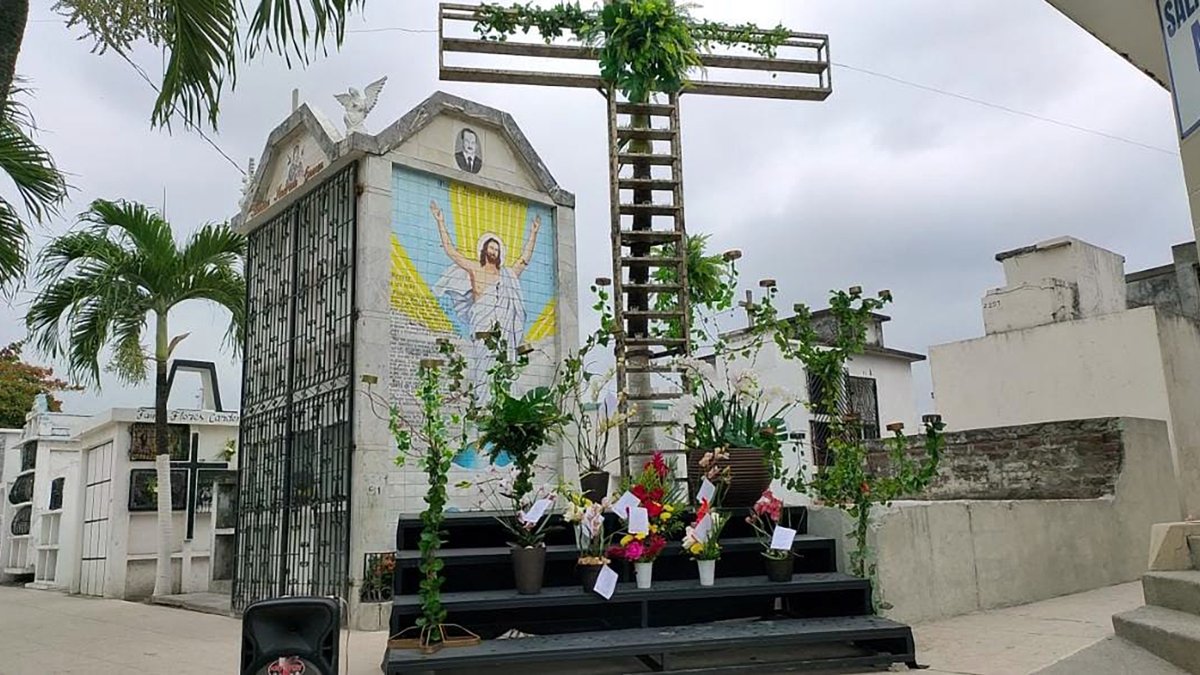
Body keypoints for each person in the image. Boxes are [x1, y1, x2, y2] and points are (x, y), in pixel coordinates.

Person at [430, 199, 542, 387]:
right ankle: (482, 405)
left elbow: (523, 260)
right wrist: (440, 221)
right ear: (484, 249)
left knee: (504, 367)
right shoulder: (475, 269)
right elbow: (451, 251)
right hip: (482, 326)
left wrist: (534, 232)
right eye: (491, 248)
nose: (494, 251)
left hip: (503, 331)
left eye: (497, 249)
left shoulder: (506, 275)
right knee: (483, 368)